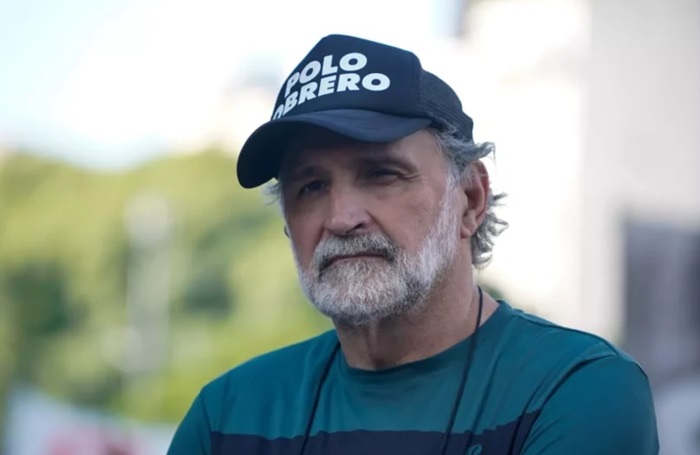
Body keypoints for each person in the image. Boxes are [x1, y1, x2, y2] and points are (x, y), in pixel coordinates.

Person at [166, 34, 659, 454]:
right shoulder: (228, 415)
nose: (341, 218)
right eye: (310, 186)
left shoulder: (574, 388)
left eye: (381, 174)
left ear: (470, 199)